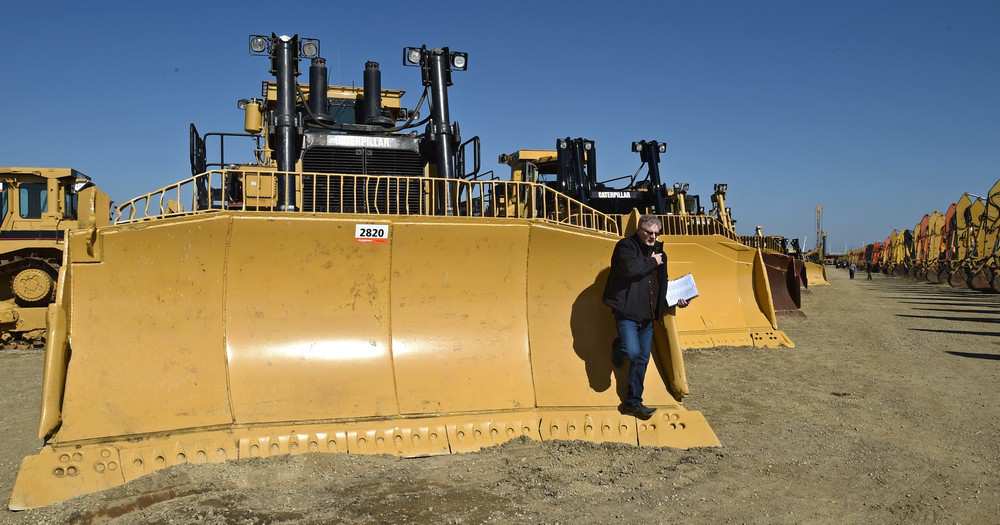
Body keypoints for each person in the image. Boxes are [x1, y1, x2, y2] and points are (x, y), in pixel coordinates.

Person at [603, 215, 688, 420]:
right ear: (639, 230)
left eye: (656, 234)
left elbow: (662, 283)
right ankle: (620, 346)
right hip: (627, 311)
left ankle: (633, 402)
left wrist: (677, 300)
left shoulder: (660, 254)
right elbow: (630, 269)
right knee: (632, 352)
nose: (652, 237)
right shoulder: (625, 247)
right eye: (649, 233)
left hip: (648, 315)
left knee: (642, 359)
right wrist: (652, 261)